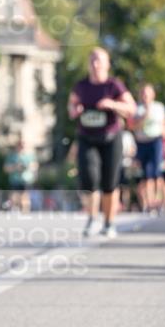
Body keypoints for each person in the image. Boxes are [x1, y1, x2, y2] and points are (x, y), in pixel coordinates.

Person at [68, 47, 136, 239]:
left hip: (110, 138)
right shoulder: (81, 86)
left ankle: (109, 222)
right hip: (87, 138)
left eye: (99, 60)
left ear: (107, 64)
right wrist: (75, 110)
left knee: (109, 182)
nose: (95, 64)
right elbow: (71, 105)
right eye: (92, 60)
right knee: (90, 177)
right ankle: (91, 219)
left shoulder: (114, 86)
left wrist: (112, 104)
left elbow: (131, 108)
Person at [133, 84, 165, 215]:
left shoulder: (159, 107)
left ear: (153, 94)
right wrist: (145, 115)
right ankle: (149, 204)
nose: (145, 96)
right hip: (142, 143)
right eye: (143, 93)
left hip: (156, 141)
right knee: (147, 174)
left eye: (148, 93)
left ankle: (159, 203)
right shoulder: (137, 108)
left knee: (157, 173)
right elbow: (134, 126)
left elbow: (164, 123)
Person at [4, 138, 38, 213]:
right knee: (14, 196)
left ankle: (25, 212)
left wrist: (27, 166)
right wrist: (16, 167)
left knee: (25, 196)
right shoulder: (12, 156)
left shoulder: (29, 156)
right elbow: (6, 168)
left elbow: (35, 166)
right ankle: (14, 210)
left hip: (26, 179)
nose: (22, 147)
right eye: (20, 145)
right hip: (15, 180)